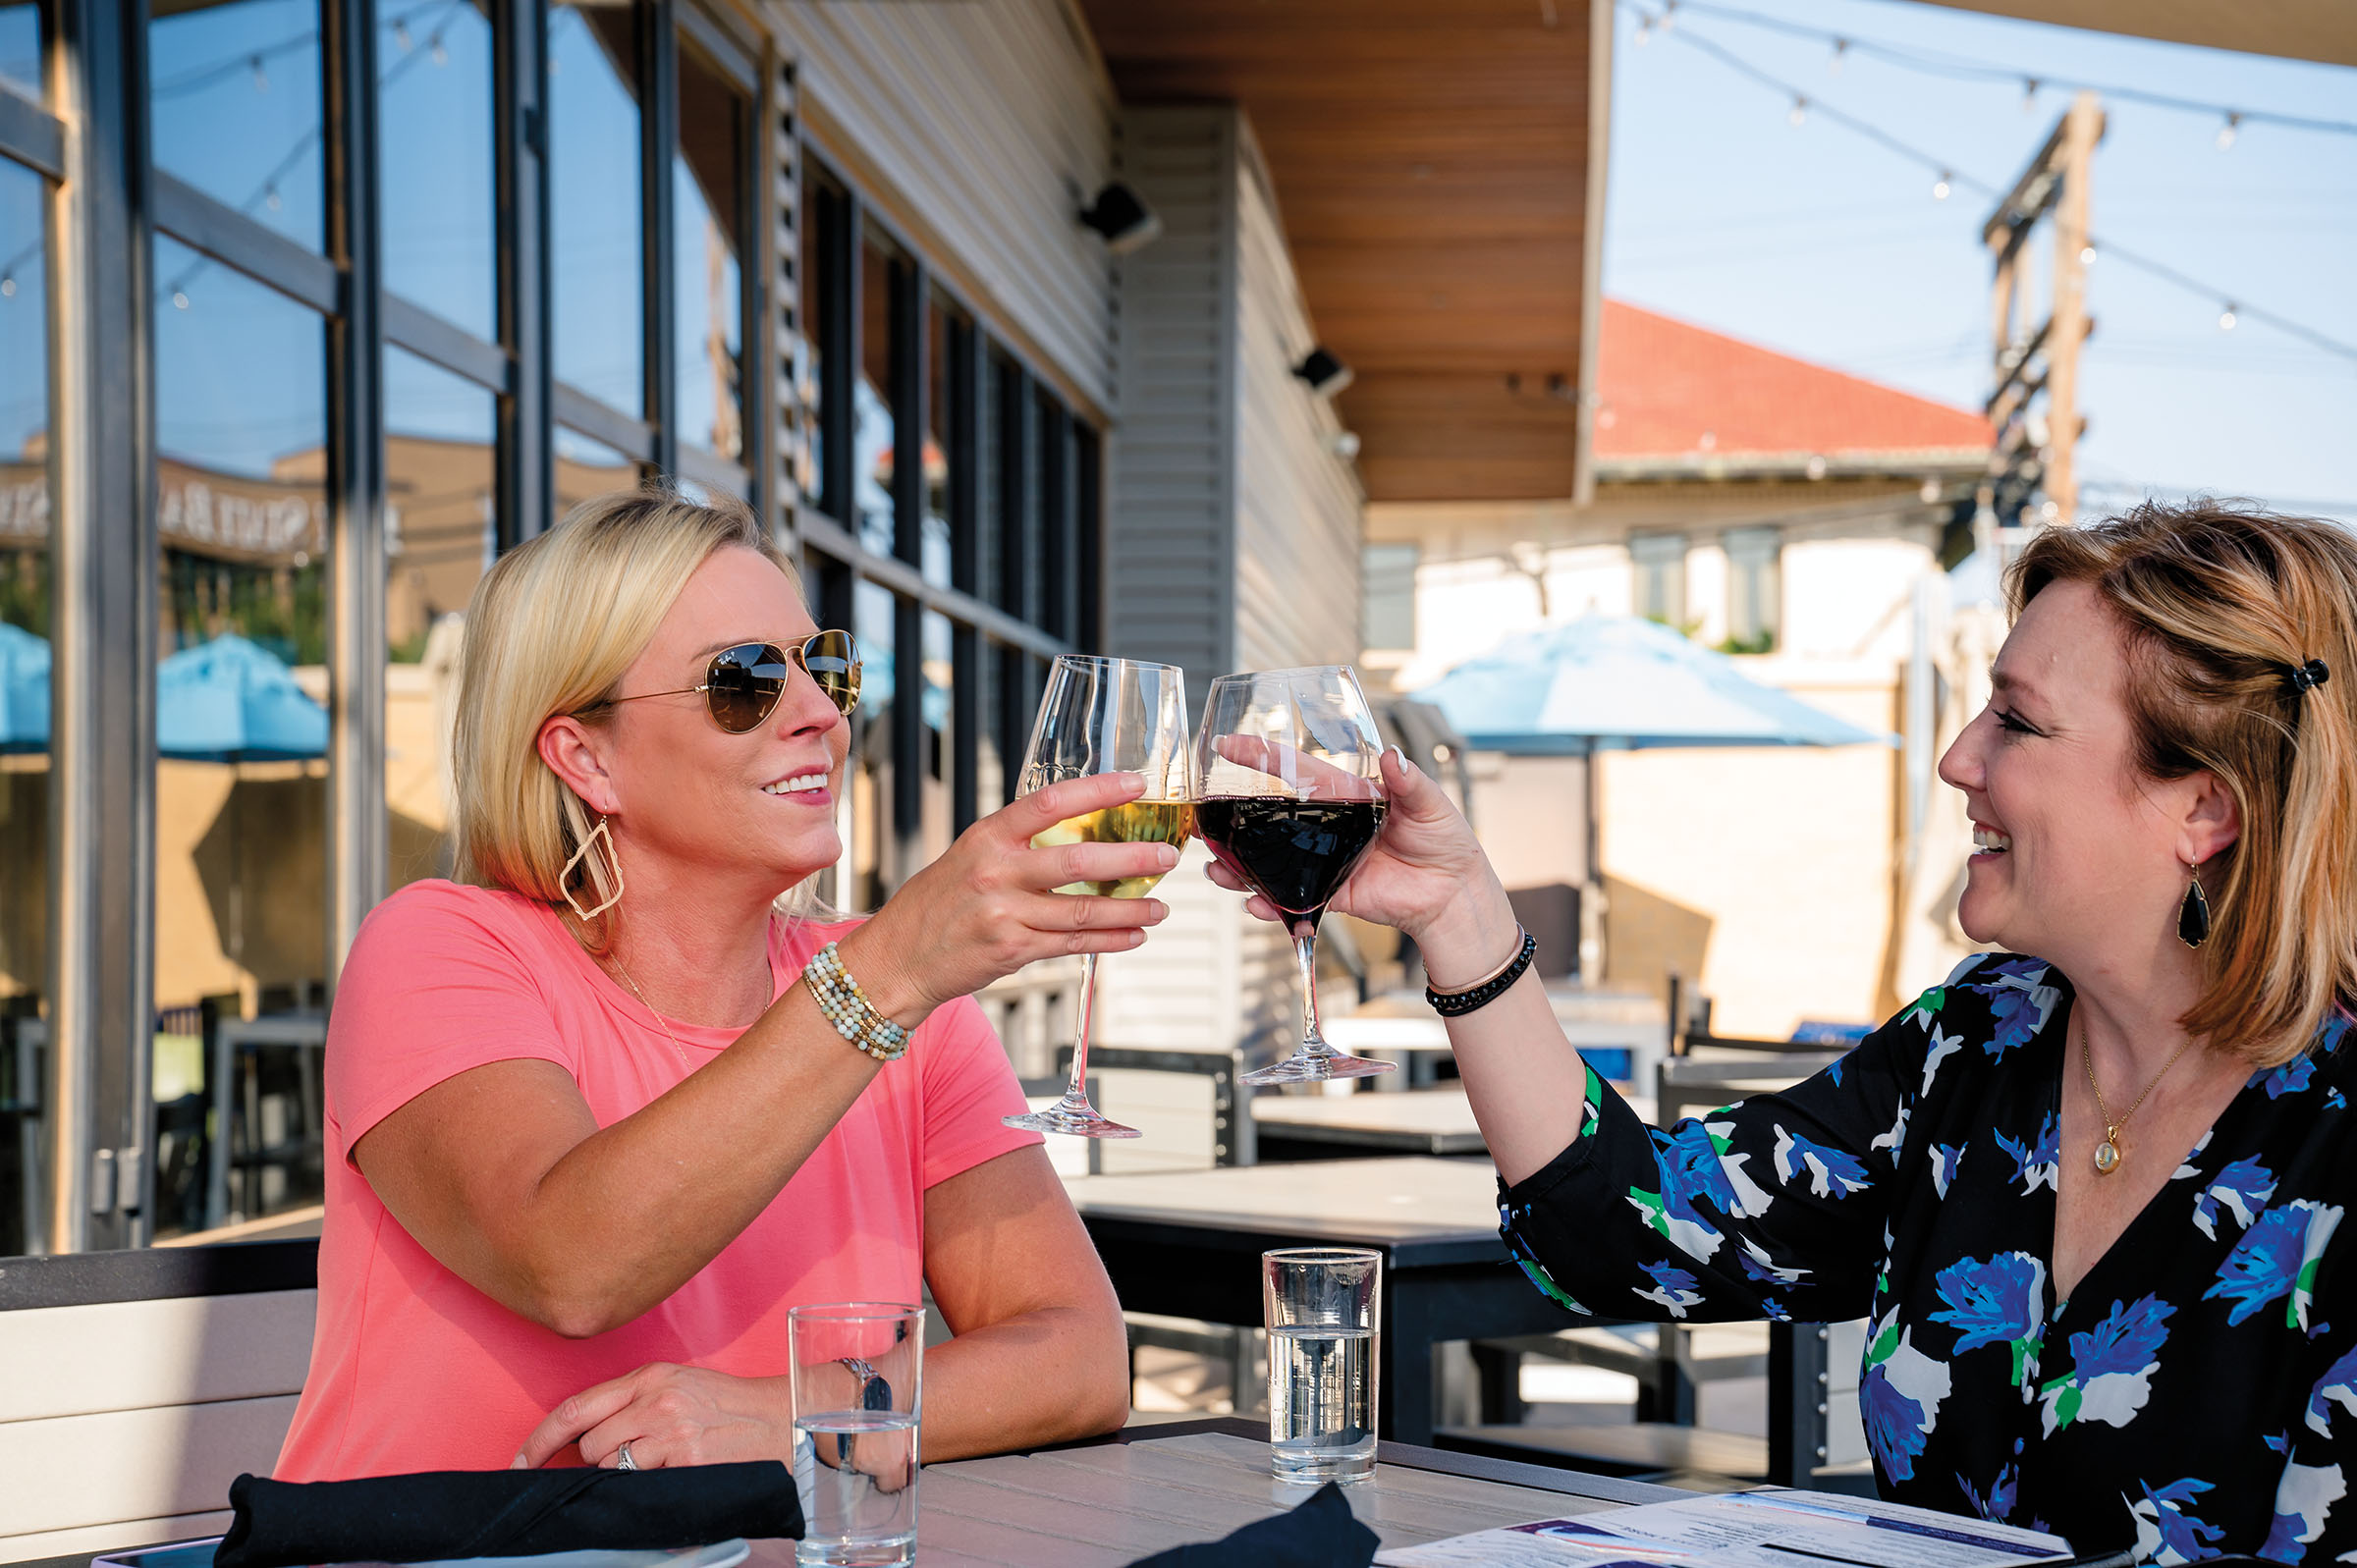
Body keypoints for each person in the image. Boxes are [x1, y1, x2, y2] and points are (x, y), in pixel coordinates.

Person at [1213, 502, 2357, 1557]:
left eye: (2017, 720)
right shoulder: (1979, 1044)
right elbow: (1622, 1230)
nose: (1959, 757)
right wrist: (1459, 912)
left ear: (2206, 806)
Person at [276, 487, 1168, 1479]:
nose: (821, 715)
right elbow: (570, 1262)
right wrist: (887, 971)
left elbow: (1080, 1357)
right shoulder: (441, 948)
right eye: (741, 681)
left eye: (824, 665)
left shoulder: (908, 1003)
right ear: (585, 757)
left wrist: (789, 1412)